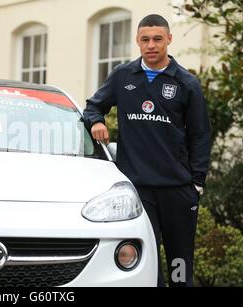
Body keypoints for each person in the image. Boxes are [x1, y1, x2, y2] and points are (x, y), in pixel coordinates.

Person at [83, 14, 211, 287]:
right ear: (138, 42)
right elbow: (93, 106)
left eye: (157, 39)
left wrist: (197, 183)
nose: (151, 45)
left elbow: (200, 134)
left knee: (179, 262)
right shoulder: (123, 76)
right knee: (143, 260)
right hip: (138, 189)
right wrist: (96, 121)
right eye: (145, 40)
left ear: (169, 40)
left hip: (177, 189)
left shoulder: (186, 83)